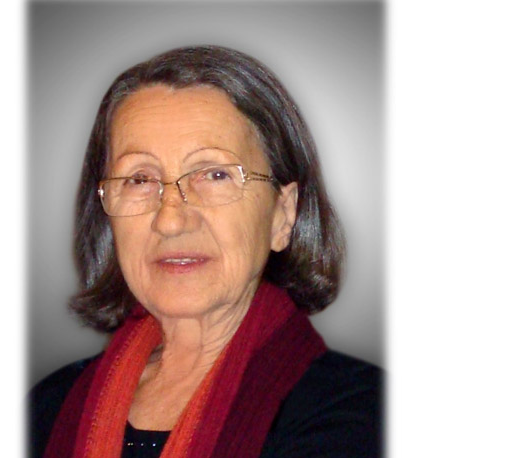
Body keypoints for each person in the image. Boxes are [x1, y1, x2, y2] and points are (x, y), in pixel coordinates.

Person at [29, 45, 382, 457]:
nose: (170, 220)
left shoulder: (362, 416)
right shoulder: (49, 409)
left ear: (281, 215)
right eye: (139, 179)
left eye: (215, 175)